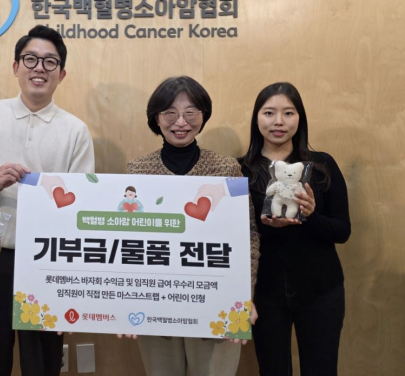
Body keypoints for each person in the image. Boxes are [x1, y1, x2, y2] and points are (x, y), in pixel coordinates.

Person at [0, 25, 95, 376]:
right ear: (15, 67)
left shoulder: (75, 131)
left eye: (50, 62)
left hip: (48, 264)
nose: (39, 68)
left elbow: (81, 207)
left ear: (61, 74)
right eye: (30, 59)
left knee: (42, 364)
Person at [127, 76, 260, 376]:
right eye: (170, 113)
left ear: (203, 115)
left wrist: (244, 294)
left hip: (217, 299)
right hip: (155, 303)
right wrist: (127, 303)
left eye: (190, 112)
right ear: (156, 118)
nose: (180, 122)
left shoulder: (227, 168)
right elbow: (129, 241)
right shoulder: (137, 170)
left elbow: (247, 235)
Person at [239, 82, 350, 376]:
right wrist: (267, 226)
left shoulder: (322, 165)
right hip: (263, 292)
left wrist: (310, 216)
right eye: (269, 113)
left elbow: (342, 230)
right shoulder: (239, 170)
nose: (279, 121)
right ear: (256, 118)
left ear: (300, 118)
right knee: (272, 369)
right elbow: (233, 237)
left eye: (288, 113)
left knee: (322, 369)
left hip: (321, 290)